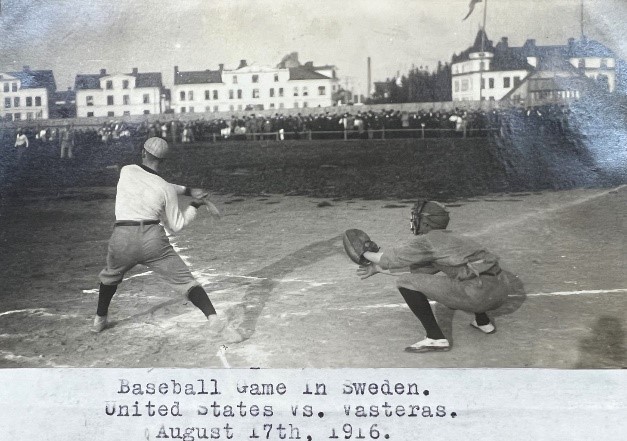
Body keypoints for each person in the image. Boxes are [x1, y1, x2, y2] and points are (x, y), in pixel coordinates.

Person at [93, 137, 240, 342]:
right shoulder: (165, 188)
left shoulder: (127, 170)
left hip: (123, 237)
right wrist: (194, 202)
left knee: (110, 276)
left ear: (143, 153)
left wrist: (187, 190)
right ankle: (213, 319)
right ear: (163, 160)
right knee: (186, 281)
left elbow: (149, 180)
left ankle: (100, 320)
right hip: (153, 241)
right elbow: (177, 223)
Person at [357, 200, 512, 353]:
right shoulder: (454, 238)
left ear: (425, 223)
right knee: (466, 275)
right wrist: (377, 269)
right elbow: (417, 273)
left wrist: (364, 253)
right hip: (501, 290)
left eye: (417, 218)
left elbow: (391, 260)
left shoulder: (427, 241)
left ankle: (435, 338)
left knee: (404, 282)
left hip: (479, 295)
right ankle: (483, 322)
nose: (414, 221)